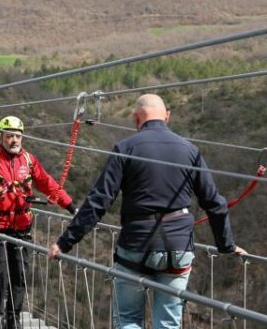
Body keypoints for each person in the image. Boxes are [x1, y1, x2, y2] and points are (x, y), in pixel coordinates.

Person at [48, 94, 247, 329]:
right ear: (167, 116)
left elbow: (98, 202)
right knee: (168, 322)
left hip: (136, 244)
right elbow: (214, 202)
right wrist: (226, 244)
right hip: (178, 246)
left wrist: (65, 242)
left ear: (136, 118)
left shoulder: (125, 148)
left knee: (129, 319)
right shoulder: (190, 150)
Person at [0, 116, 75, 329]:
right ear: (1, 136)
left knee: (19, 276)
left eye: (18, 136)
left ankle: (13, 319)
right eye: (9, 136)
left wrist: (72, 208)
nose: (14, 140)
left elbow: (48, 184)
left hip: (21, 228)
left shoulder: (29, 161)